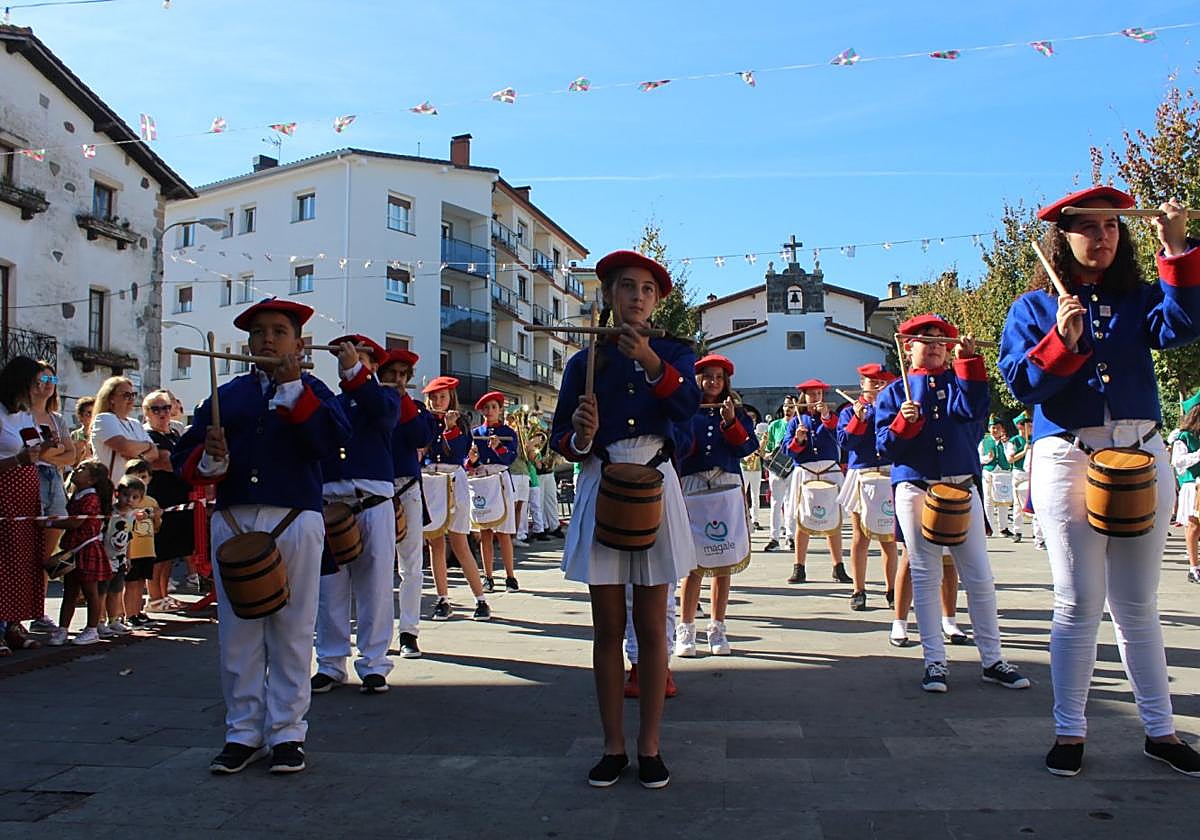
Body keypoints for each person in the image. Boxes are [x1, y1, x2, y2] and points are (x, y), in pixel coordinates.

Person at [999, 188, 1200, 778]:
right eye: (1088, 227)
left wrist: (1176, 249)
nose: (1103, 236)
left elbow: (1184, 325)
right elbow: (1021, 386)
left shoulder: (1141, 299)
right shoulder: (1032, 307)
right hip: (1069, 454)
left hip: (1142, 451)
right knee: (1078, 599)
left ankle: (1160, 731)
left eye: (1112, 225)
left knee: (1139, 604)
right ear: (1063, 238)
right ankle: (1070, 732)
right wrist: (1061, 342)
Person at [174, 296, 351, 776]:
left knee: (294, 632)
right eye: (259, 333)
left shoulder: (315, 391)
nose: (268, 340)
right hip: (234, 522)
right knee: (237, 635)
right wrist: (211, 458)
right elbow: (184, 459)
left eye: (278, 331)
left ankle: (288, 732)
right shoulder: (226, 395)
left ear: (298, 343)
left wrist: (293, 388)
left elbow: (329, 447)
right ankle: (242, 732)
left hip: (295, 520)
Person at [552, 249, 700, 790]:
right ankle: (613, 745)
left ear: (657, 300)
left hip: (656, 485)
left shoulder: (676, 353)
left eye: (646, 289)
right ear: (609, 298)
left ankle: (651, 745)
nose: (636, 297)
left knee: (653, 625)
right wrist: (582, 436)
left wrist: (655, 366)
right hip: (603, 480)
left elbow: (686, 409)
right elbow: (562, 442)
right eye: (625, 288)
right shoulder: (584, 362)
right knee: (607, 626)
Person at [876, 312, 1030, 695]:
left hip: (961, 485)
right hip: (916, 487)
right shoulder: (894, 393)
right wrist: (902, 423)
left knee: (979, 574)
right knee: (925, 574)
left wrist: (969, 363)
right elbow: (884, 447)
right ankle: (934, 662)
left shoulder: (959, 378)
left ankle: (993, 660)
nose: (932, 345)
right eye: (924, 339)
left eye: (940, 340)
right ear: (907, 347)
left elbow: (973, 412)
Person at [313, 335, 402, 692]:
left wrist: (356, 373)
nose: (349, 363)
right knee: (329, 588)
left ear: (373, 365)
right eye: (344, 358)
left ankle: (375, 662)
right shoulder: (332, 403)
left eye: (359, 358)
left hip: (372, 503)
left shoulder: (387, 396)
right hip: (333, 503)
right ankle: (331, 662)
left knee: (376, 586)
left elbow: (380, 410)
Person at [674, 354, 758, 657]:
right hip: (694, 485)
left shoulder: (735, 411)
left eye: (719, 378)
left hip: (727, 486)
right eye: (707, 376)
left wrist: (731, 423)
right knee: (693, 563)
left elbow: (747, 447)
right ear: (698, 379)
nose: (713, 382)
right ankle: (686, 629)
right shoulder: (685, 411)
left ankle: (717, 627)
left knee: (724, 562)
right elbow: (679, 449)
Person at [377, 348, 435, 652]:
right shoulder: (371, 405)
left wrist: (401, 401)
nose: (398, 379)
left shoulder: (415, 407)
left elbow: (421, 437)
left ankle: (409, 631)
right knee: (378, 566)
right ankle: (379, 635)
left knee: (412, 564)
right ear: (380, 375)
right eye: (392, 374)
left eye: (403, 375)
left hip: (408, 487)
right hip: (375, 491)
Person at [422, 376, 491, 620]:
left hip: (454, 481)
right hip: (430, 481)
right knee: (435, 543)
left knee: (460, 543)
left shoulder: (461, 422)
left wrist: (450, 429)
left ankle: (480, 598)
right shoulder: (425, 420)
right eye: (434, 397)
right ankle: (442, 598)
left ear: (451, 397)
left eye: (442, 396)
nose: (438, 401)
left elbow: (460, 452)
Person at [836, 363, 900, 611]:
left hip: (887, 472)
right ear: (861, 384)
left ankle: (892, 589)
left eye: (879, 382)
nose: (873, 387)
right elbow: (845, 442)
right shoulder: (848, 411)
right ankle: (858, 589)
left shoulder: (891, 408)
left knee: (889, 538)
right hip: (861, 473)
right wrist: (859, 420)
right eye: (869, 382)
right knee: (860, 536)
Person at [0, 356, 47, 655]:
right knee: (3, 560)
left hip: (26, 493)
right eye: (35, 383)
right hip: (4, 491)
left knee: (22, 559)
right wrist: (18, 461)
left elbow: (33, 449)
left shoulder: (24, 414)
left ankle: (14, 623)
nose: (39, 389)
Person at [783, 380, 849, 585]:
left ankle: (838, 567)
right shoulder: (796, 421)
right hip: (806, 473)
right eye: (811, 394)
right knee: (803, 520)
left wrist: (826, 416)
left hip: (830, 472)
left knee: (833, 521)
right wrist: (799, 439)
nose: (816, 398)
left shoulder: (831, 417)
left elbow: (839, 434)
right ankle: (799, 566)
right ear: (804, 397)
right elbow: (787, 450)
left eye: (819, 393)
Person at [29, 361, 73, 633]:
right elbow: (31, 453)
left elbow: (71, 454)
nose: (47, 384)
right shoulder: (21, 415)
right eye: (41, 379)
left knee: (47, 553)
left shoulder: (57, 419)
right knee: (24, 548)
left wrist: (47, 453)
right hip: (30, 478)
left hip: (54, 480)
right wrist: (50, 453)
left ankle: (39, 611)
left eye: (51, 379)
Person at [52, 459, 114, 646]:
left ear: (92, 480)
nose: (76, 471)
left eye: (82, 469)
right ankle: (62, 629)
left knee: (90, 591)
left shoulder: (91, 498)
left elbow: (75, 522)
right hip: (72, 549)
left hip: (87, 548)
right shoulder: (76, 495)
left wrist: (48, 522)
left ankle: (92, 629)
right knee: (69, 590)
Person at [143, 389, 195, 610]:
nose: (162, 413)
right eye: (156, 409)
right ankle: (154, 598)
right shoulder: (148, 435)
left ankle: (163, 595)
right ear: (147, 412)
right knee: (159, 550)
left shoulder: (173, 434)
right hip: (160, 497)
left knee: (170, 552)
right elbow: (166, 462)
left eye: (165, 407)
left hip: (178, 497)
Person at [469, 391, 520, 592]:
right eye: (486, 408)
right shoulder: (476, 433)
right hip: (482, 481)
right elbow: (468, 463)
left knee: (504, 531)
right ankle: (488, 576)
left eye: (493, 407)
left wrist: (499, 447)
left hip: (500, 481)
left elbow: (510, 459)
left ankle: (510, 576)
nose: (490, 411)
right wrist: (471, 460)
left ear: (500, 410)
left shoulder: (508, 432)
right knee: (485, 531)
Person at [91, 376, 159, 485]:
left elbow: (155, 453)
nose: (131, 399)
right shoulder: (104, 418)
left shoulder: (135, 424)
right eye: (126, 395)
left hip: (135, 491)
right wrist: (147, 446)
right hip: (111, 488)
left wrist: (137, 456)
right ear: (111, 398)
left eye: (133, 395)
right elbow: (124, 446)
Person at [120, 459, 161, 626]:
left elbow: (157, 527)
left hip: (147, 549)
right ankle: (128, 615)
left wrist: (155, 516)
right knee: (130, 584)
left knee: (140, 583)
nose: (140, 480)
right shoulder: (126, 502)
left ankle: (137, 612)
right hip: (132, 550)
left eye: (143, 476)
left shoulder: (151, 502)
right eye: (135, 476)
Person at [1170, 393, 1200, 584]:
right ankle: (1194, 567)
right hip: (1192, 485)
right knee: (1194, 526)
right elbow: (1178, 463)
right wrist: (1198, 454)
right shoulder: (1184, 436)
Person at [763, 397, 797, 552]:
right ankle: (774, 538)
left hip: (792, 469)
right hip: (776, 469)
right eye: (785, 405)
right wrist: (769, 454)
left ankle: (790, 537)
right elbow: (768, 446)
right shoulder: (775, 425)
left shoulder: (798, 423)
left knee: (791, 503)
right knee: (776, 503)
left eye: (790, 406)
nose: (787, 409)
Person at [978, 417, 1013, 537]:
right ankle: (989, 527)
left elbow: (1010, 456)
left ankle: (1004, 528)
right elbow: (979, 458)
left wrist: (1005, 446)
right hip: (989, 472)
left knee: (1003, 500)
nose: (995, 430)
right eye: (993, 428)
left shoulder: (1007, 442)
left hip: (1003, 473)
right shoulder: (984, 442)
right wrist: (988, 458)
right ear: (989, 429)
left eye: (998, 428)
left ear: (1002, 429)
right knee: (988, 500)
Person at [1005, 411, 1033, 545]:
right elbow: (1010, 459)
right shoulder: (1014, 441)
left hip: (1032, 472)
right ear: (1020, 426)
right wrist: (1024, 451)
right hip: (1019, 473)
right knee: (1017, 504)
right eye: (1026, 423)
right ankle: (1017, 531)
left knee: (1034, 502)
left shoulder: (1035, 438)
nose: (1030, 425)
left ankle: (1037, 532)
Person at [740, 407, 766, 532]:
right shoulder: (742, 432)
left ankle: (755, 519)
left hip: (756, 468)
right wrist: (745, 457)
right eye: (749, 417)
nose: (752, 420)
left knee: (755, 495)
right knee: (742, 494)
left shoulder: (759, 434)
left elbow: (762, 452)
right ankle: (743, 517)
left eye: (754, 418)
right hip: (744, 466)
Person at [70, 396, 95, 466]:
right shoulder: (75, 435)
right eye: (89, 413)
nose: (92, 416)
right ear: (81, 416)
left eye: (95, 413)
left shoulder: (99, 434)